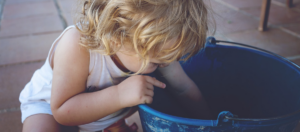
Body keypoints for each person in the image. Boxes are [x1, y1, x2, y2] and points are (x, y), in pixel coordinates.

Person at [19, 0, 213, 131]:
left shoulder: (157, 50)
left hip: (105, 115)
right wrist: (119, 95)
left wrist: (209, 123)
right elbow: (62, 111)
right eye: (156, 61)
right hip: (50, 107)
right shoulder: (77, 45)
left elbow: (183, 88)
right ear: (116, 36)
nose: (166, 63)